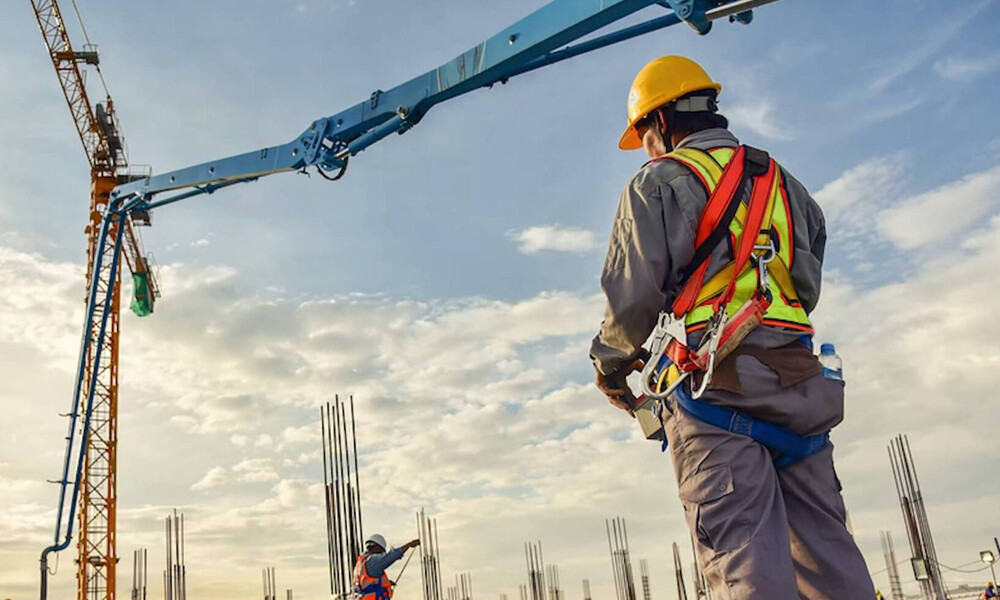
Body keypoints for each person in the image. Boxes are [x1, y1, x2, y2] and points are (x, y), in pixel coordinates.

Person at [590, 55, 876, 599]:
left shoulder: (659, 181)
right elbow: (806, 283)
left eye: (645, 135)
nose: (646, 149)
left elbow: (632, 298)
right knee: (831, 560)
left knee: (745, 563)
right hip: (801, 388)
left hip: (714, 390)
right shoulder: (784, 183)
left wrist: (610, 365)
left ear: (661, 123)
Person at [353, 533, 420, 600]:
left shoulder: (360, 564)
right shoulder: (372, 561)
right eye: (382, 552)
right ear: (377, 547)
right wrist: (409, 545)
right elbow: (392, 556)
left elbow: (367, 585)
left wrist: (385, 584)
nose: (382, 555)